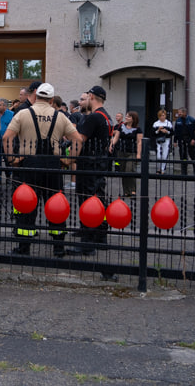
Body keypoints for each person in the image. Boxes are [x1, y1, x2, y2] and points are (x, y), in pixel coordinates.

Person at [2, 82, 80, 257]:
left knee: (26, 207)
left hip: (28, 166)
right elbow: (78, 140)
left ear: (36, 96)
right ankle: (58, 248)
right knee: (56, 207)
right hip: (52, 167)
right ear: (52, 100)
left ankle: (24, 249)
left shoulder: (23, 113)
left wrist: (12, 160)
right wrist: (68, 160)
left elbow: (7, 137)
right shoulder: (60, 116)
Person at [71, 85, 117, 280]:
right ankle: (100, 236)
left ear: (91, 97)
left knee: (88, 199)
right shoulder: (106, 116)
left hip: (89, 164)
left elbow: (80, 138)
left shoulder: (94, 117)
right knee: (99, 198)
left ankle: (87, 242)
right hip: (99, 163)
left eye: (86, 97)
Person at [114, 111, 143, 198]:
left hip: (132, 152)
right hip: (121, 151)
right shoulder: (121, 127)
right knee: (123, 171)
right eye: (126, 116)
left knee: (130, 170)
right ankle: (126, 191)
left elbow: (139, 142)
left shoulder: (138, 129)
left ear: (133, 119)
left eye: (129, 117)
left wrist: (138, 154)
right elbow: (116, 137)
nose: (126, 118)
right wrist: (112, 144)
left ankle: (133, 191)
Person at [0, 98, 14, 185]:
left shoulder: (11, 114)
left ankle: (8, 177)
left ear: (5, 106)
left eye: (0, 105)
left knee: (7, 159)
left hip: (7, 140)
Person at [173, 108, 195, 175]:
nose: (179, 114)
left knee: (192, 156)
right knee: (183, 157)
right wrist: (175, 141)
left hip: (190, 140)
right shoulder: (178, 121)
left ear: (185, 113)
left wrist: (193, 139)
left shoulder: (191, 120)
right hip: (181, 141)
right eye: (178, 112)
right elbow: (176, 131)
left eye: (180, 112)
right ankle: (184, 173)